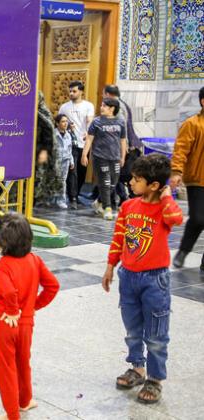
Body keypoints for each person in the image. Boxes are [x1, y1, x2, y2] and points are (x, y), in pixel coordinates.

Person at [102, 153, 183, 404]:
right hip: (128, 277)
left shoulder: (163, 208)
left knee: (157, 335)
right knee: (133, 330)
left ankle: (156, 378)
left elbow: (176, 219)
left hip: (155, 280)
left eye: (137, 180)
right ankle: (137, 368)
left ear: (154, 185)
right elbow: (119, 238)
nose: (131, 183)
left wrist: (167, 195)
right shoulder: (128, 206)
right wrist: (109, 266)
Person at [0, 213, 59, 420]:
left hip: (4, 322)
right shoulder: (35, 260)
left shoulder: (1, 267)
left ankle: (12, 415)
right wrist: (32, 306)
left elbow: (9, 292)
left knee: (6, 369)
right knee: (22, 362)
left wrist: (12, 310)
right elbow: (53, 286)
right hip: (26, 323)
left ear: (3, 241)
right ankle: (25, 401)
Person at [171, 86, 204, 272]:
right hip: (198, 179)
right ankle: (183, 251)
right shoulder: (192, 124)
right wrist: (176, 171)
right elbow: (180, 149)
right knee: (199, 218)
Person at [81, 97, 127, 220]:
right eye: (101, 105)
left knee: (113, 183)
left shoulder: (121, 122)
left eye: (104, 106)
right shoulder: (96, 122)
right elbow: (89, 139)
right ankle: (107, 208)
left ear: (112, 108)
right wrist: (84, 154)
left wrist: (123, 157)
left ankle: (99, 201)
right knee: (105, 183)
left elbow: (123, 141)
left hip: (115, 157)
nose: (101, 108)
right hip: (100, 156)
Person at [104, 84, 143, 204]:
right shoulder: (123, 104)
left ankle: (126, 199)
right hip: (130, 145)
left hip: (124, 146)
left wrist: (122, 149)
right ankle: (121, 198)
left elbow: (121, 128)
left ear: (108, 94)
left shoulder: (117, 107)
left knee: (120, 174)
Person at [59, 80, 95, 197]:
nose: (71, 93)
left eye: (74, 91)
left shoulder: (88, 106)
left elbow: (90, 121)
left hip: (84, 144)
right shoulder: (64, 107)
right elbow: (59, 122)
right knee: (72, 171)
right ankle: (72, 197)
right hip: (70, 143)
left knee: (81, 171)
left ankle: (76, 194)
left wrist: (88, 133)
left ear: (81, 92)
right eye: (70, 91)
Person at [35, 92, 62, 208]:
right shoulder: (34, 111)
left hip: (43, 150)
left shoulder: (42, 113)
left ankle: (37, 199)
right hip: (34, 150)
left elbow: (48, 134)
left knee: (40, 176)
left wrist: (44, 151)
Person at [54, 114, 74, 209]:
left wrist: (71, 161)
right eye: (63, 121)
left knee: (62, 181)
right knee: (52, 180)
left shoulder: (68, 135)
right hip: (55, 161)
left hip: (65, 161)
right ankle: (48, 199)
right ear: (57, 123)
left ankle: (61, 200)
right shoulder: (53, 134)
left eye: (66, 121)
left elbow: (70, 149)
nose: (65, 123)